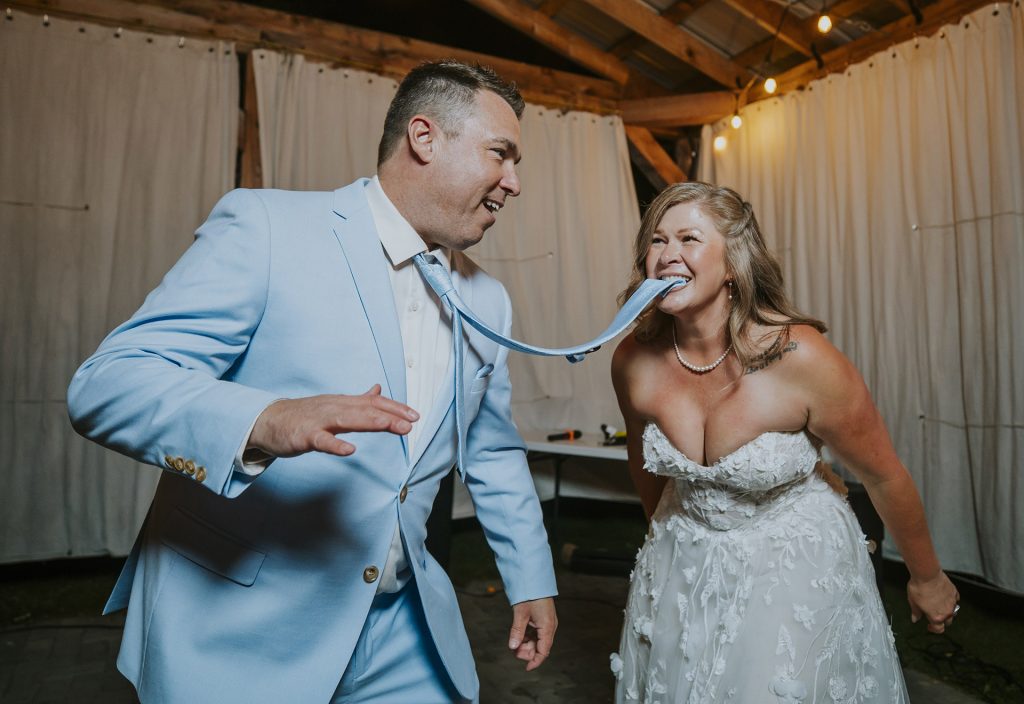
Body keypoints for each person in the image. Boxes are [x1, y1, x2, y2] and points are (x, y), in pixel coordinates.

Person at [66, 60, 557, 704]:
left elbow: (490, 449)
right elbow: (108, 384)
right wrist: (263, 421)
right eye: (501, 154)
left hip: (404, 634)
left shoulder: (487, 301)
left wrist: (530, 577)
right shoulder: (267, 228)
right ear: (425, 137)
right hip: (240, 629)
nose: (513, 184)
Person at [608, 182, 958, 702]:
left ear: (732, 263)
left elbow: (883, 474)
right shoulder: (631, 361)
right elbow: (645, 467)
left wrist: (927, 578)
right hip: (681, 563)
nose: (667, 256)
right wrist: (671, 549)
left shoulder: (802, 357)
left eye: (688, 238)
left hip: (792, 567)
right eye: (656, 241)